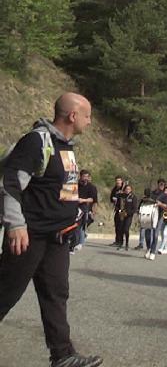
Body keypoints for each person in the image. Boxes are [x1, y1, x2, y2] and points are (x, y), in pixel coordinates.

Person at [0, 93, 103, 367]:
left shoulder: (66, 146)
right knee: (6, 292)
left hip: (57, 237)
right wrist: (16, 225)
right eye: (87, 116)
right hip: (29, 235)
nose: (90, 122)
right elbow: (10, 184)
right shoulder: (36, 141)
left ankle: (63, 355)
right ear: (72, 116)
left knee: (56, 294)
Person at [72, 170, 97, 253]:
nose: (85, 178)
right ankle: (76, 241)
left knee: (80, 225)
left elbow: (92, 199)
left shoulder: (91, 187)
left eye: (87, 177)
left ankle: (77, 243)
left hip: (84, 208)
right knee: (73, 225)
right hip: (73, 206)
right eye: (84, 176)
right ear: (80, 176)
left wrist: (83, 200)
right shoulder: (75, 184)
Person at [145, 180, 167, 260]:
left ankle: (153, 252)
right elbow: (147, 201)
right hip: (150, 215)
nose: (161, 185)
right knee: (147, 233)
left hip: (159, 216)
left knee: (155, 234)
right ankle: (149, 248)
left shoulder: (165, 195)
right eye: (160, 184)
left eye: (163, 185)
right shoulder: (153, 193)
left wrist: (160, 204)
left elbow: (166, 206)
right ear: (158, 184)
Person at [113, 184, 136, 251]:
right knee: (120, 229)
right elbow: (116, 205)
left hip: (128, 216)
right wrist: (120, 211)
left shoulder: (133, 197)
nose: (127, 190)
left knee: (126, 229)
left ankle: (127, 243)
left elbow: (134, 208)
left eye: (129, 189)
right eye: (126, 189)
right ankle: (120, 243)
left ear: (131, 190)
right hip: (121, 215)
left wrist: (128, 213)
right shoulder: (121, 196)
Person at [108, 176, 124, 246]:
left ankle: (120, 241)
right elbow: (111, 198)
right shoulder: (114, 189)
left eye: (119, 180)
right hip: (117, 209)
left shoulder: (124, 188)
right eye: (117, 181)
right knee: (117, 225)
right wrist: (113, 199)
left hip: (123, 209)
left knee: (121, 226)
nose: (118, 182)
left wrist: (122, 194)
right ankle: (117, 240)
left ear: (121, 181)